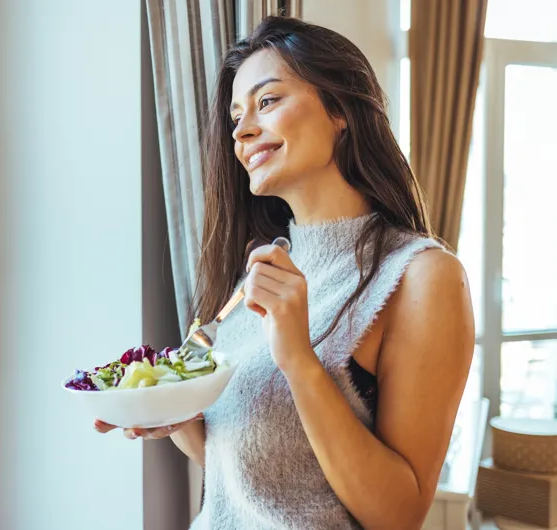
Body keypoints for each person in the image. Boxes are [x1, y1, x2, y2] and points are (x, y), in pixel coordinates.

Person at [94, 15, 474, 530]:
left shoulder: (421, 276)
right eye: (236, 118)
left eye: (267, 101)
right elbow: (277, 486)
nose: (244, 130)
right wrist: (178, 415)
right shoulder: (262, 270)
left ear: (340, 109)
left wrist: (299, 359)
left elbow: (397, 516)